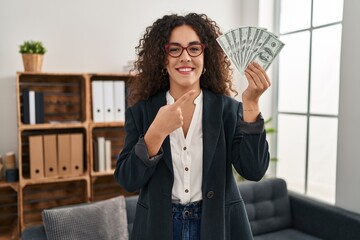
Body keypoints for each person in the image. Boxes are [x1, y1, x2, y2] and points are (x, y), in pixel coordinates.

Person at [114, 12, 270, 240]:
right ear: (162, 57)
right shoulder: (141, 111)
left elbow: (254, 170)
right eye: (174, 49)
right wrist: (155, 134)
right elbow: (127, 180)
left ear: (206, 56)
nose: (185, 57)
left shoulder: (229, 110)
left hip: (218, 225)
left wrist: (251, 104)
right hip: (160, 226)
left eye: (194, 48)